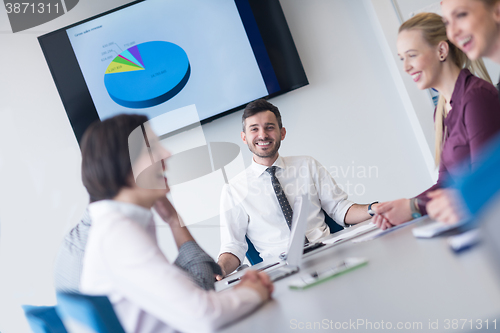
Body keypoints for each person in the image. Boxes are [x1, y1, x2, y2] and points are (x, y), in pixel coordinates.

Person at [79, 114, 273, 333]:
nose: (166, 154)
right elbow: (203, 316)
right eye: (151, 148)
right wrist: (254, 291)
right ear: (121, 163)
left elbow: (192, 295)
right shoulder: (118, 234)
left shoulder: (119, 225)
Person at [216, 99, 381, 279]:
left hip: (328, 254)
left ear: (282, 132)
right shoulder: (233, 190)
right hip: (282, 270)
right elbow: (233, 246)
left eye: (270, 127)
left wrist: (375, 208)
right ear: (244, 137)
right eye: (254, 129)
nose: (262, 135)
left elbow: (340, 209)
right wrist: (219, 269)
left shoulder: (307, 165)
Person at [372, 12, 500, 229]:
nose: (406, 67)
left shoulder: (476, 97)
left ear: (442, 50)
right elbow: (444, 182)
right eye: (402, 58)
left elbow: (483, 183)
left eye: (412, 55)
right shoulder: (441, 111)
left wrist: (414, 207)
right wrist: (402, 208)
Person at [424, 0, 500, 224]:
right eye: (448, 22)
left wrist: (466, 194)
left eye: (462, 15)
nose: (453, 32)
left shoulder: (477, 95)